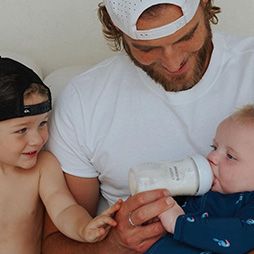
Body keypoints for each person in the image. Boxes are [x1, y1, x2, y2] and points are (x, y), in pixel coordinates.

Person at [43, 0, 254, 253]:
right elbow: (52, 243)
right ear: (117, 30)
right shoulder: (84, 101)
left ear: (204, 4)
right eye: (147, 48)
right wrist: (114, 244)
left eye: (185, 37)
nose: (173, 63)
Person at [0, 57, 123, 254]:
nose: (37, 140)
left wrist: (83, 228)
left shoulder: (43, 167)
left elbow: (64, 208)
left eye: (42, 124)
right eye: (22, 130)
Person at [146, 104, 254, 253]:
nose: (212, 157)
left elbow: (240, 237)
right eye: (214, 147)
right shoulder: (202, 187)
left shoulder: (250, 204)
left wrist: (178, 223)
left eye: (230, 156)